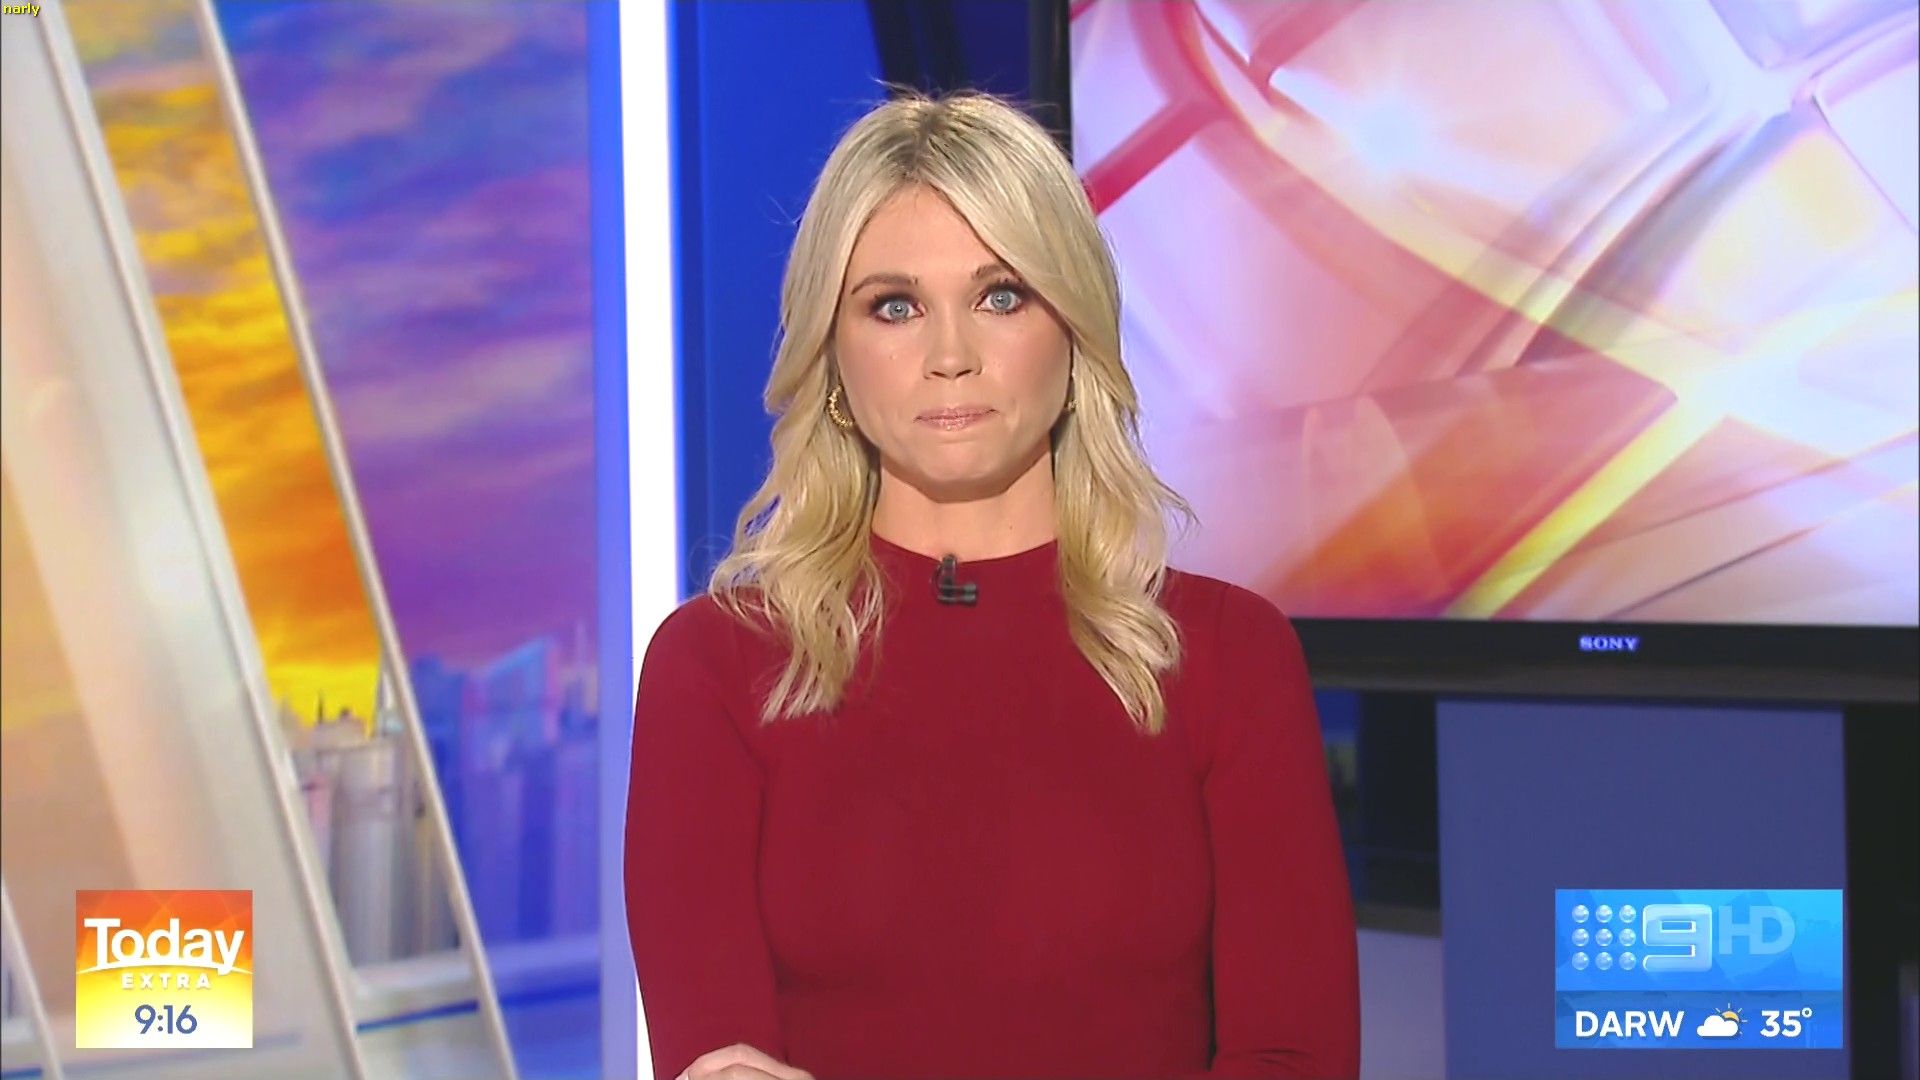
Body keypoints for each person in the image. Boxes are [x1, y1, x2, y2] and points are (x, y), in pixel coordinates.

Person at [624, 89, 1359, 1080]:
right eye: (894, 306)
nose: (951, 358)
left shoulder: (1229, 658)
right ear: (832, 358)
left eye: (1001, 296)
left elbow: (1294, 1058)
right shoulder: (716, 668)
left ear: (1074, 331)